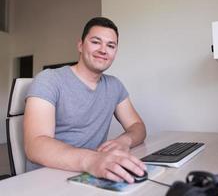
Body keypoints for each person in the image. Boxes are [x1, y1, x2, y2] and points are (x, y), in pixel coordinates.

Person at [23, 17, 147, 184]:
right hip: (47, 178)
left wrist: (124, 141)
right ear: (80, 46)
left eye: (111, 46)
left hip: (91, 173)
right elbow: (35, 145)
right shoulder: (49, 80)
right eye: (96, 42)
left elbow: (137, 126)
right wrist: (92, 160)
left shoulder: (114, 85)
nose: (103, 50)